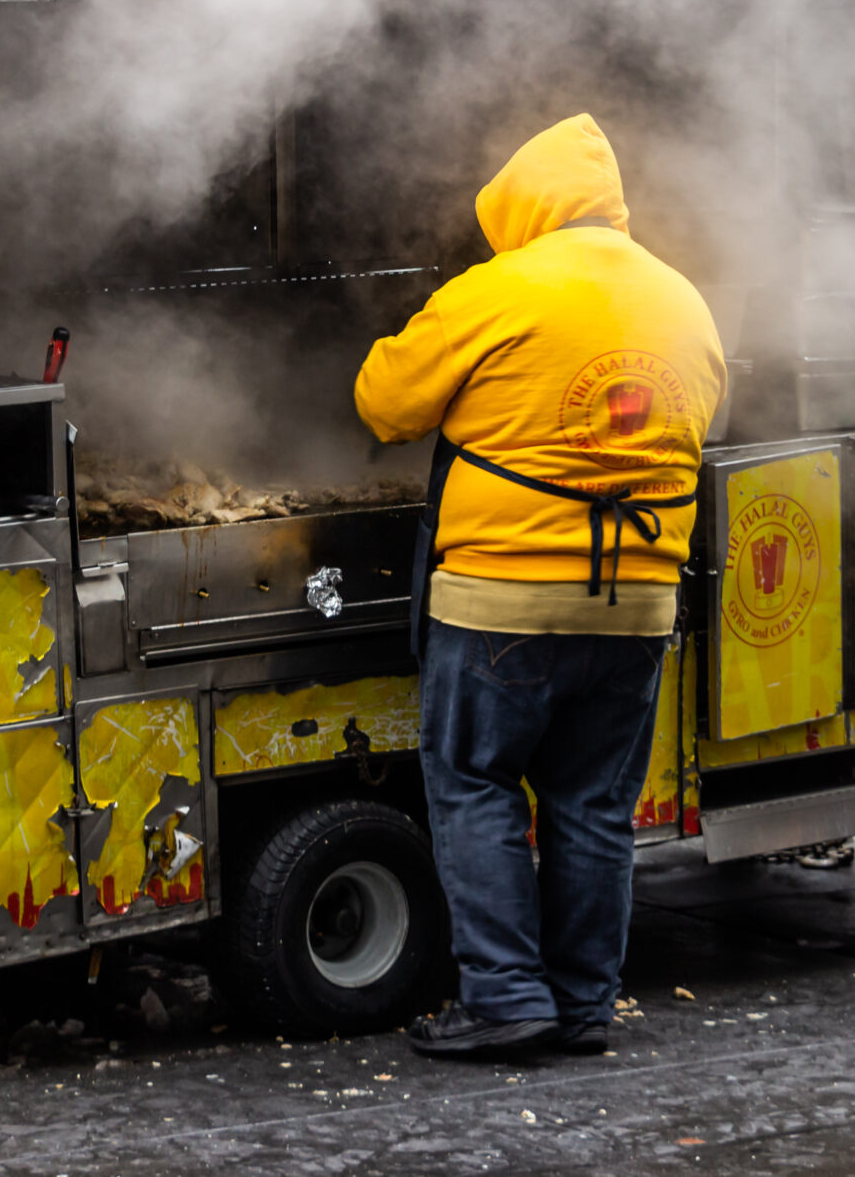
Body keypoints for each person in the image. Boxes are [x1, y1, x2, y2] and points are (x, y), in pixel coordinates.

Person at [354, 113, 726, 1059]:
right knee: (593, 805)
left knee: (475, 785)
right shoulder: (685, 303)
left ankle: (506, 996)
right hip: (639, 605)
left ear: (525, 209)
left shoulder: (501, 287)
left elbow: (382, 401)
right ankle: (584, 1004)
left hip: (501, 603)